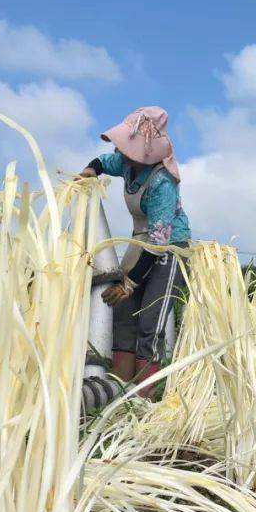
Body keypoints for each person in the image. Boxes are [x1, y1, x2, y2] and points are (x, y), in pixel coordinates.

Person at [78, 106, 191, 394]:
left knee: (149, 325)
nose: (120, 151)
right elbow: (102, 161)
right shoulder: (127, 165)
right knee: (123, 315)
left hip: (169, 250)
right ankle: (119, 392)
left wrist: (130, 282)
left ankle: (143, 400)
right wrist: (91, 170)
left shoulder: (162, 182)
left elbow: (158, 241)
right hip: (141, 241)